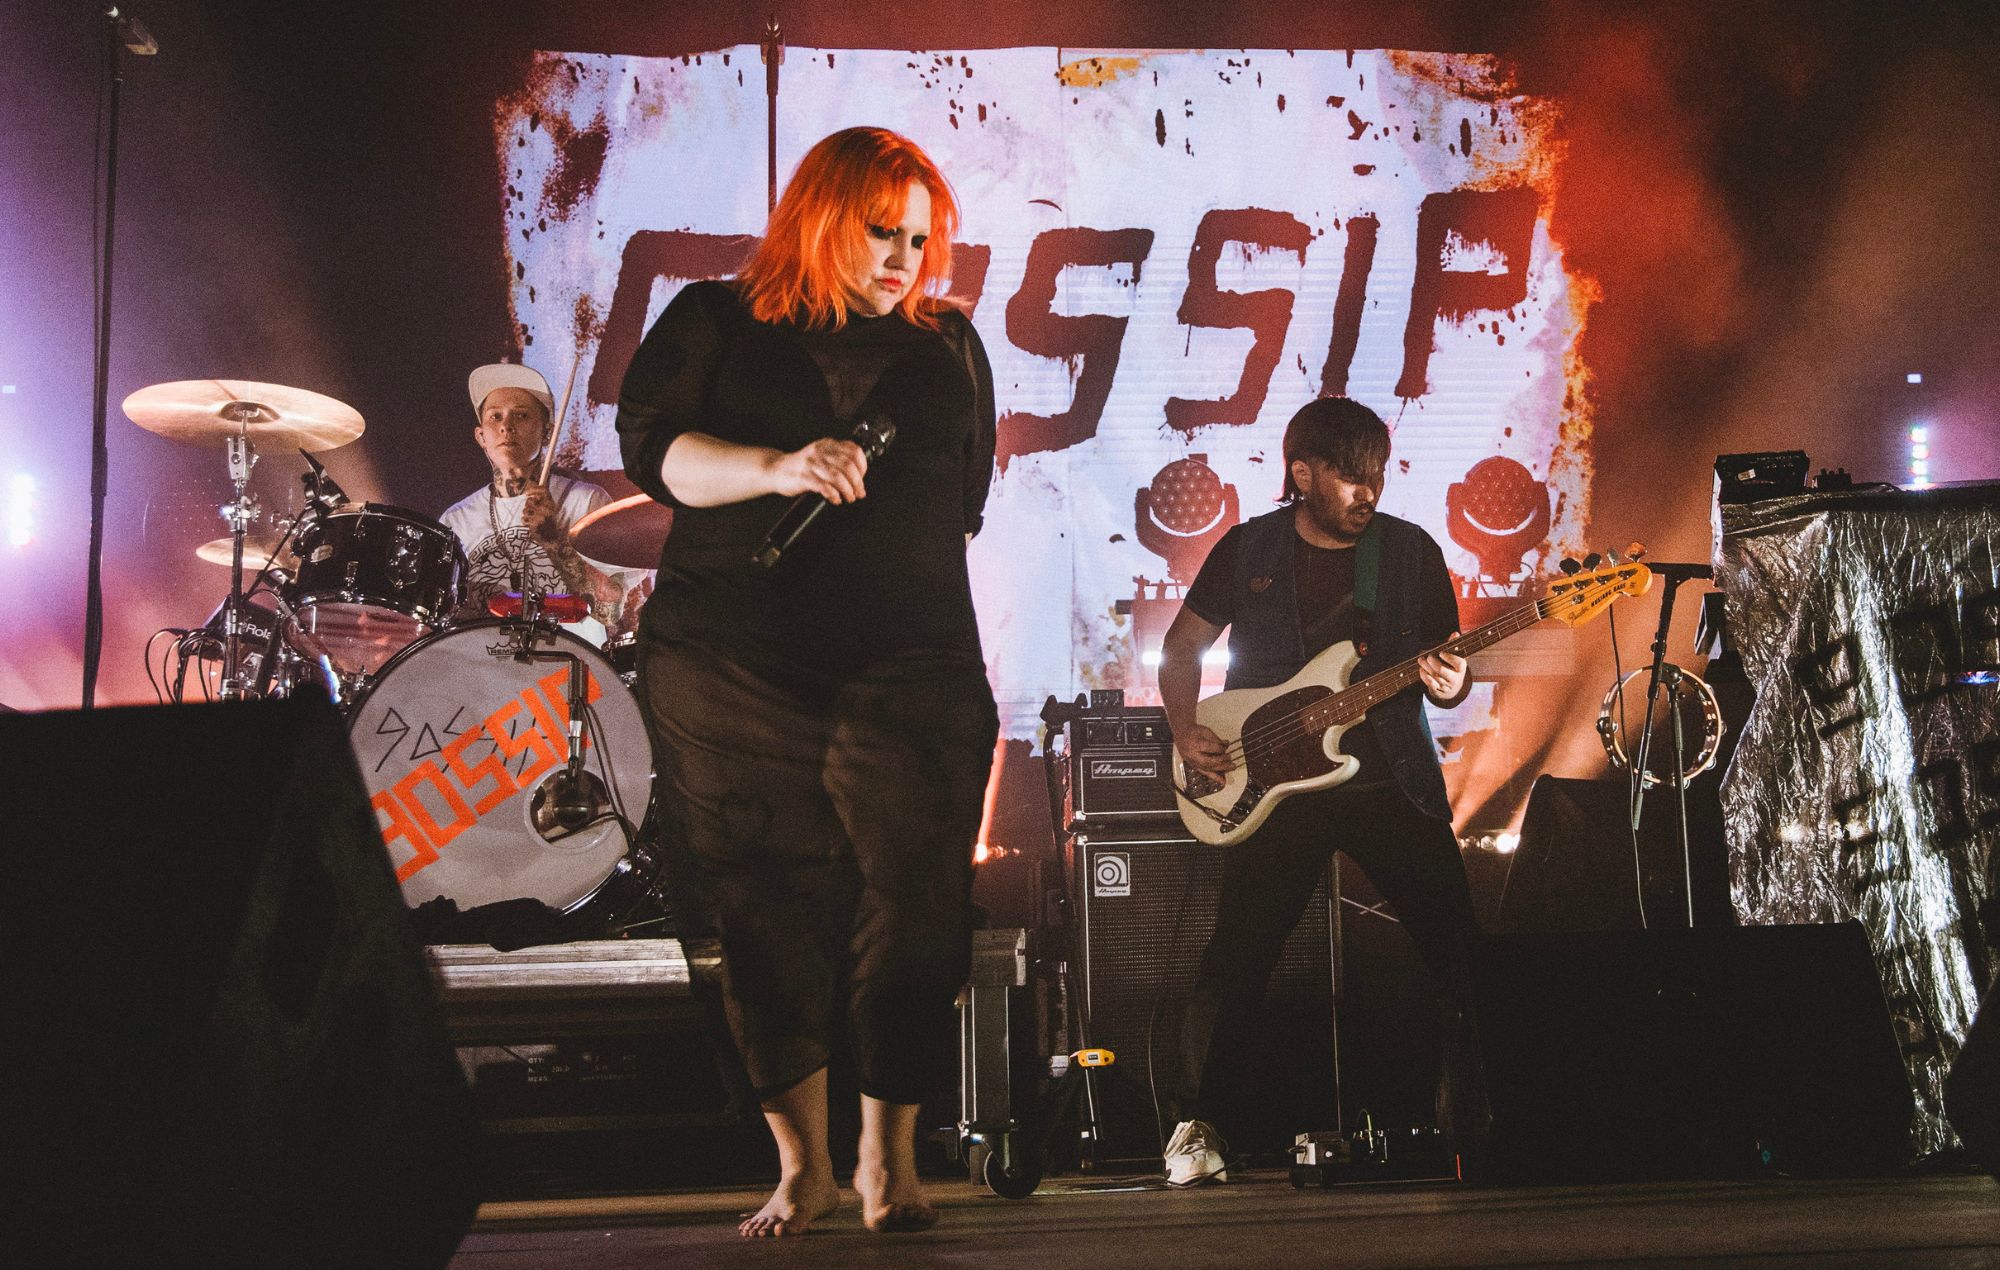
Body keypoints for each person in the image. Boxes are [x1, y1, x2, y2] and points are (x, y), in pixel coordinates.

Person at [614, 126, 998, 1237]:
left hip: (910, 655)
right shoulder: (712, 321)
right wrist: (779, 467)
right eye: (883, 231)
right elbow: (659, 453)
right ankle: (802, 1166)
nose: (903, 257)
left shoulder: (950, 346)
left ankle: (891, 1160)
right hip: (732, 656)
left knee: (918, 895)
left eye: (920, 239)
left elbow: (961, 497)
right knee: (765, 897)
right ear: (822, 215)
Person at [1156, 396, 1486, 1186]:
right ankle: (1202, 1131)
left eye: (1375, 473)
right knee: (1239, 960)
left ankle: (1487, 1109)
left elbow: (1444, 672)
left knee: (1459, 950)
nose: (1367, 490)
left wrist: (1452, 680)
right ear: (1302, 473)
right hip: (1272, 780)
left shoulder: (1409, 553)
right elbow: (1182, 647)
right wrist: (1181, 726)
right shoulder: (1249, 547)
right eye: (1348, 475)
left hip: (1388, 778)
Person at [439, 363, 630, 636]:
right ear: (480, 436)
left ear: (547, 433)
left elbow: (611, 613)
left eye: (521, 415)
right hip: (483, 672)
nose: (507, 426)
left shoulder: (587, 502)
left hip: (566, 669)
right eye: (495, 417)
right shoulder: (456, 520)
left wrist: (555, 541)